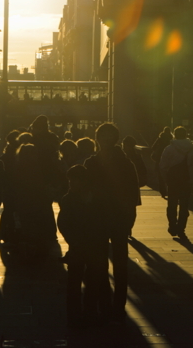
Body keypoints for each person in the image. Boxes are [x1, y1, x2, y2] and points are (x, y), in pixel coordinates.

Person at [84, 123, 138, 322]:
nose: (105, 140)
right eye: (103, 136)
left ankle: (112, 304)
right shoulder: (101, 162)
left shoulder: (97, 162)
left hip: (110, 218)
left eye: (108, 137)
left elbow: (132, 194)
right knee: (110, 264)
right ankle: (111, 304)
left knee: (111, 264)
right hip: (107, 218)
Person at [57, 164, 108, 328]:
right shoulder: (69, 199)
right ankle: (77, 315)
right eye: (70, 181)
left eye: (74, 180)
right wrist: (72, 239)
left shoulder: (95, 198)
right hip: (80, 245)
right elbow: (63, 223)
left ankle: (88, 313)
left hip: (92, 244)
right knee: (76, 282)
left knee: (90, 281)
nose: (71, 184)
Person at [159, 126, 193, 238]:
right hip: (186, 180)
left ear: (174, 135)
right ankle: (181, 228)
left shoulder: (169, 148)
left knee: (172, 204)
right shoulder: (191, 148)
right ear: (186, 135)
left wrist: (165, 178)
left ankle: (172, 225)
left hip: (173, 180)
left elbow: (162, 166)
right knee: (184, 205)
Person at [120, 136, 147, 235]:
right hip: (133, 186)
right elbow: (143, 171)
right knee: (131, 209)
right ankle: (128, 227)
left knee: (122, 208)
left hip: (120, 187)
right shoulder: (137, 157)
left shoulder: (119, 157)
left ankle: (124, 227)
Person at [149, 127, 173, 197]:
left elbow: (153, 147)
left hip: (159, 158)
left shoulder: (160, 139)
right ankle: (169, 190)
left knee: (160, 177)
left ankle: (163, 191)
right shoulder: (171, 140)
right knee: (169, 176)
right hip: (169, 160)